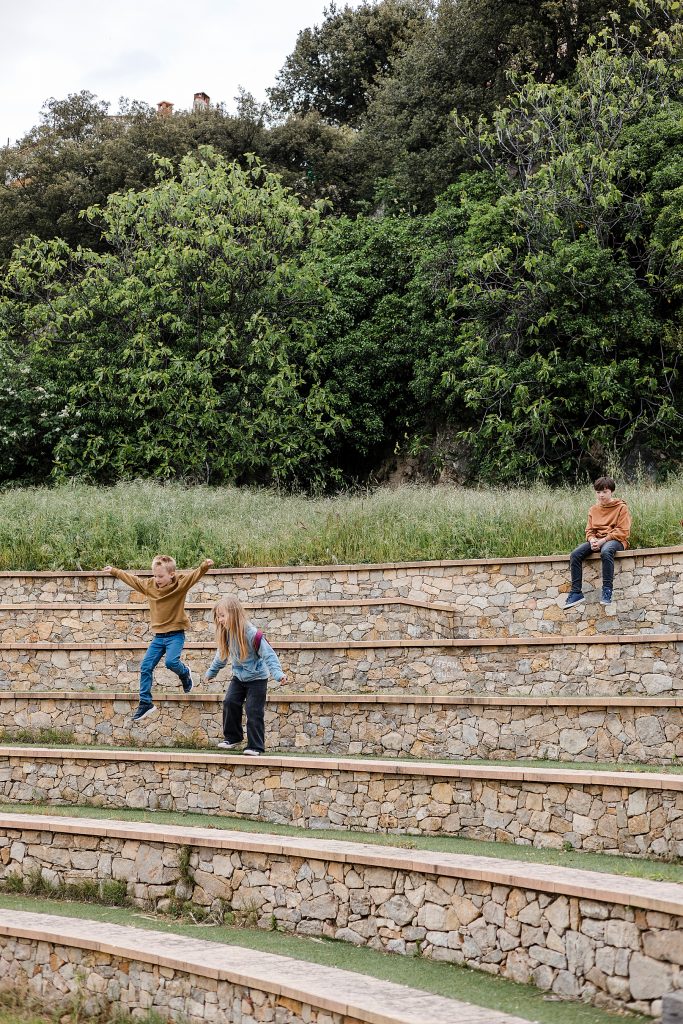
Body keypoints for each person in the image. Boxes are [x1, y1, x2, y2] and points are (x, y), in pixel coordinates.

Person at [103, 555, 214, 722]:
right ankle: (145, 703)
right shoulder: (150, 586)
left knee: (171, 662)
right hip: (158, 637)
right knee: (145, 667)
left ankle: (185, 674)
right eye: (155, 575)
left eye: (161, 576)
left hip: (176, 634)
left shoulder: (180, 584)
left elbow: (194, 575)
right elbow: (133, 580)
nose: (157, 579)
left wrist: (204, 567)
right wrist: (115, 571)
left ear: (171, 574)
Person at [204, 595, 286, 756]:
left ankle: (255, 746)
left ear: (234, 614)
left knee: (253, 710)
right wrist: (211, 673)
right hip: (239, 678)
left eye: (222, 616)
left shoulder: (252, 633)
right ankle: (233, 737)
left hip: (257, 679)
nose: (220, 620)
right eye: (218, 617)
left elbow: (269, 655)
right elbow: (221, 656)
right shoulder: (226, 633)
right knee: (230, 702)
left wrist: (278, 674)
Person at [564, 477, 631, 609]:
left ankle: (607, 591)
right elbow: (589, 530)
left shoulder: (621, 508)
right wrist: (592, 540)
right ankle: (576, 592)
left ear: (611, 491)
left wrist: (602, 541)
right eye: (598, 492)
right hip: (598, 540)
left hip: (616, 541)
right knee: (575, 555)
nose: (601, 495)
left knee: (606, 551)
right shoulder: (593, 509)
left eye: (604, 492)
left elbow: (623, 531)